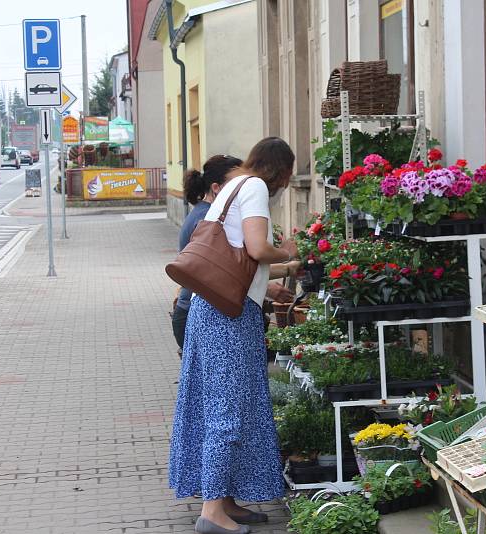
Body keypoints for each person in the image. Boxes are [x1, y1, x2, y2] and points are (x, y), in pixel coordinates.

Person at [169, 138, 299, 534]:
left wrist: (282, 271)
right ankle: (212, 513)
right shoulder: (256, 187)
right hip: (229, 314)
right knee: (227, 409)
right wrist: (288, 249)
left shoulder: (231, 187)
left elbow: (240, 258)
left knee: (220, 404)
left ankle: (224, 499)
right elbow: (258, 249)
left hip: (213, 308)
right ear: (282, 170)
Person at [172, 155, 295, 353]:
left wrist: (285, 271)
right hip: (213, 309)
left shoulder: (208, 212)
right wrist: (284, 259)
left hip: (199, 308)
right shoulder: (209, 217)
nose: (242, 183)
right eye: (237, 177)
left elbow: (236, 264)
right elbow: (228, 270)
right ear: (216, 187)